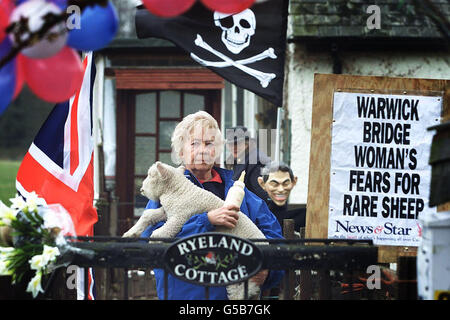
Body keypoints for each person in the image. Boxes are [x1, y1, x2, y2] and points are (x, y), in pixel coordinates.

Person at [140, 111, 284, 300]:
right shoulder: (165, 193)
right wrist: (206, 221)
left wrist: (267, 270)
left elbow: (275, 239)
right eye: (194, 143)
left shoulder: (239, 191)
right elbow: (149, 242)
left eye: (209, 144)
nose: (202, 150)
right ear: (180, 151)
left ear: (216, 150)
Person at [224, 126, 272, 202]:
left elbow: (261, 195)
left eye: (238, 143)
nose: (234, 147)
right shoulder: (235, 159)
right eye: (231, 144)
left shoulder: (255, 161)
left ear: (246, 143)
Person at [257, 162, 306, 232]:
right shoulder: (259, 216)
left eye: (286, 184)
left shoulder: (303, 216)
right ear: (262, 184)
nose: (281, 189)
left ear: (294, 182)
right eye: (274, 184)